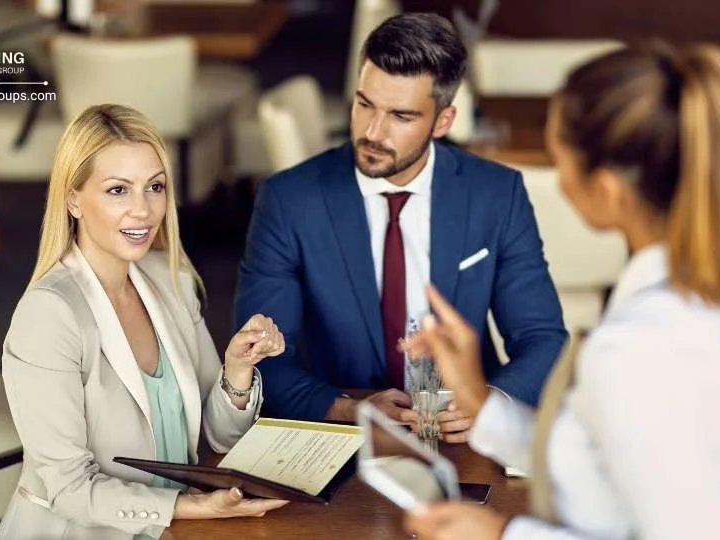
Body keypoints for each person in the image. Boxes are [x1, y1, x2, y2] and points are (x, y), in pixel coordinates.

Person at [403, 41, 720, 539]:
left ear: (608, 189)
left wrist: (499, 535)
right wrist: (480, 400)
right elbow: (604, 462)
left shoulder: (631, 349)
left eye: (558, 160)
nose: (557, 181)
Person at [233, 12, 567, 437]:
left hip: (466, 436)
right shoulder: (288, 201)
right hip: (343, 436)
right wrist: (345, 408)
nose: (372, 132)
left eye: (401, 116)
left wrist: (489, 405)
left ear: (442, 121)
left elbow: (542, 338)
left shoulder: (496, 194)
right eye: (364, 104)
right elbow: (260, 358)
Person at [0, 104, 288, 540]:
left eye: (155, 187)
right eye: (117, 190)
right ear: (73, 199)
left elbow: (220, 437)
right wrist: (189, 507)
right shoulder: (49, 314)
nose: (143, 210)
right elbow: (70, 490)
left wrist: (237, 372)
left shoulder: (170, 283)